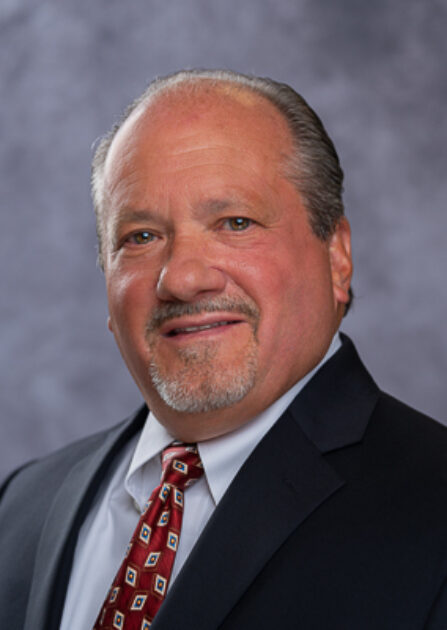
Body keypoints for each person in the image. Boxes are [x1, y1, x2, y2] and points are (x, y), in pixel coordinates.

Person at [1, 69, 446, 630]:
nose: (183, 278)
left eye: (236, 223)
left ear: (337, 257)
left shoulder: (433, 507)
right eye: (140, 237)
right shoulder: (20, 506)